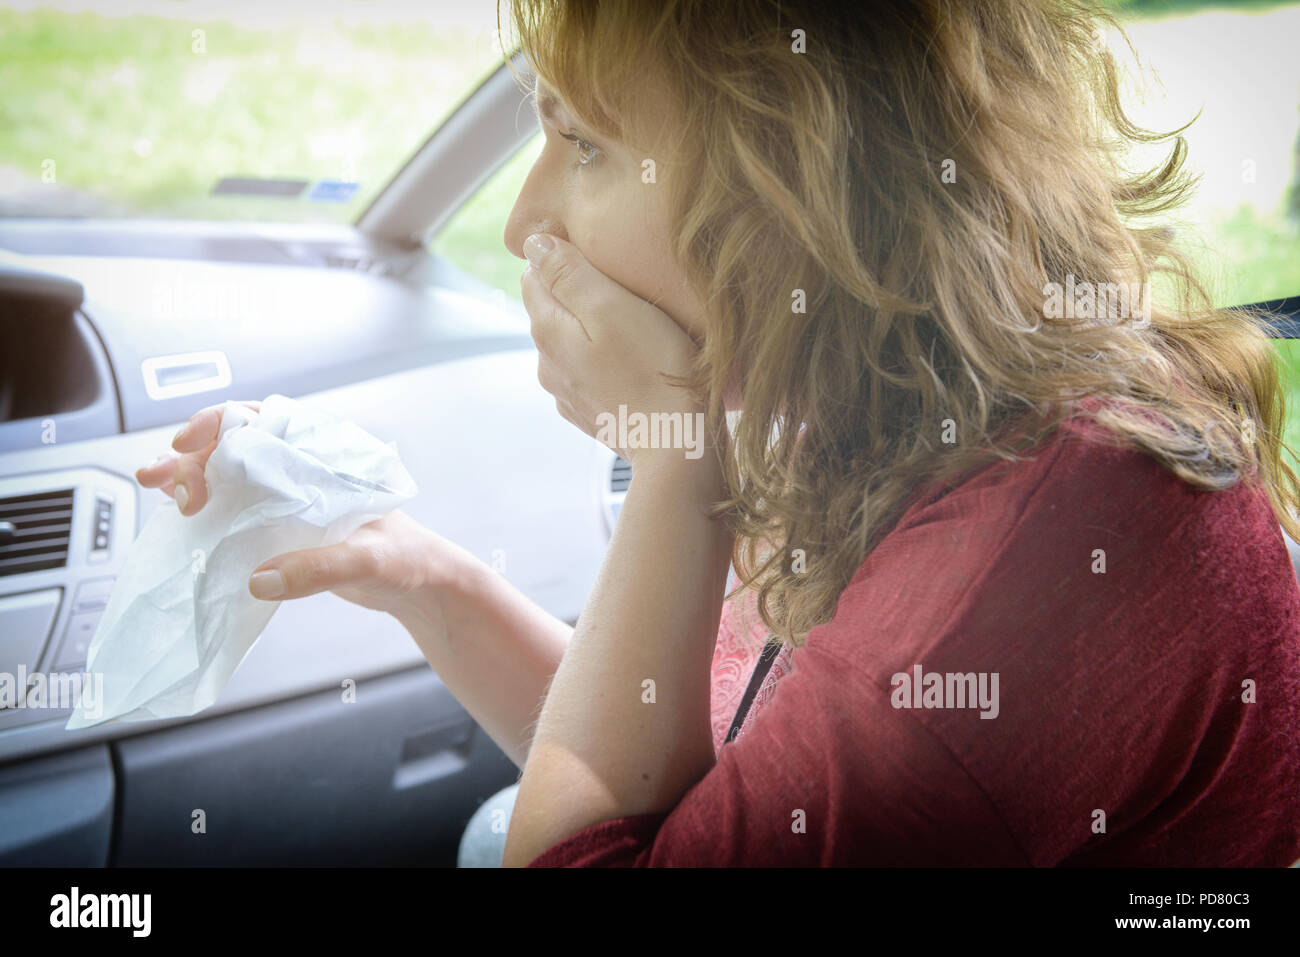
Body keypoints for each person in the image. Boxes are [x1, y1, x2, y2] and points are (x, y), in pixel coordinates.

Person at [138, 0, 1300, 866]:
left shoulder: (1035, 558)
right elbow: (699, 779)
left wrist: (674, 460)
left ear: (798, 188)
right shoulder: (890, 398)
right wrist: (423, 578)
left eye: (584, 146)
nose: (524, 222)